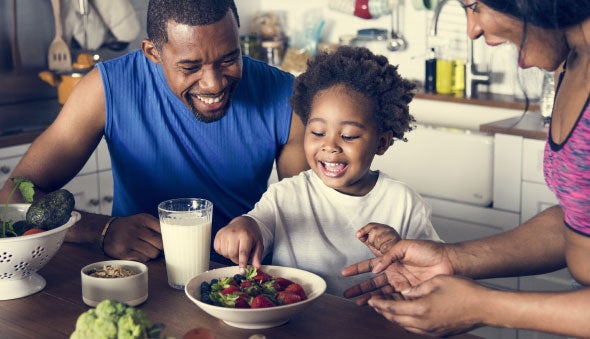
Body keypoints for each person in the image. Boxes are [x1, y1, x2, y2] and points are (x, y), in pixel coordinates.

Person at [341, 0, 590, 337]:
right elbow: (577, 218)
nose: (472, 30)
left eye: (474, 6)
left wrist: (485, 306)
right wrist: (453, 258)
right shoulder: (573, 63)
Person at [0, 0, 307, 262]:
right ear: (152, 52)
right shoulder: (106, 89)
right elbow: (13, 195)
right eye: (190, 67)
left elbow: (307, 215)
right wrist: (101, 231)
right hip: (143, 274)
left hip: (238, 280)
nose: (214, 84)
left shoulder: (286, 96)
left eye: (229, 58)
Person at [213, 46, 441, 295]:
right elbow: (258, 225)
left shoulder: (404, 203)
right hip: (298, 324)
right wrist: (242, 226)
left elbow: (435, 275)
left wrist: (400, 249)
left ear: (382, 143)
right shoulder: (286, 194)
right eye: (318, 133)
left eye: (349, 136)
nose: (330, 146)